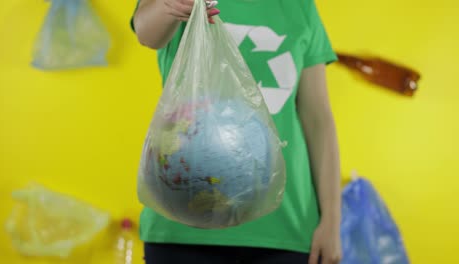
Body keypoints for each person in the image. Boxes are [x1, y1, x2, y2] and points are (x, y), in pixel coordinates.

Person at [131, 0, 342, 263]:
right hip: (182, 222)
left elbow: (317, 118)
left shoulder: (299, 5)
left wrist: (332, 221)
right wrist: (170, 5)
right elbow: (146, 31)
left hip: (287, 227)